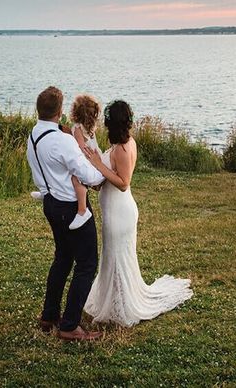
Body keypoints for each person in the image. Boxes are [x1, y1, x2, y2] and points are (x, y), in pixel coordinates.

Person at [82, 99, 193, 327]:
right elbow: (107, 178)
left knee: (117, 257)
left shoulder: (124, 148)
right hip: (115, 209)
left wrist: (98, 164)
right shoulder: (121, 144)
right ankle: (115, 299)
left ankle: (123, 305)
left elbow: (123, 183)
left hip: (119, 213)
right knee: (112, 257)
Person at [26, 85, 106, 342]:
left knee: (62, 259)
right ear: (60, 113)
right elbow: (89, 175)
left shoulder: (34, 135)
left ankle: (49, 316)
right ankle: (70, 325)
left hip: (50, 204)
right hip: (70, 206)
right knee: (86, 264)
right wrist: (101, 170)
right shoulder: (61, 140)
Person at [68, 93, 102, 230]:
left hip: (89, 158)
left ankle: (82, 210)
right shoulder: (89, 128)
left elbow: (81, 148)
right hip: (95, 156)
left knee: (76, 178)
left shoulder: (77, 128)